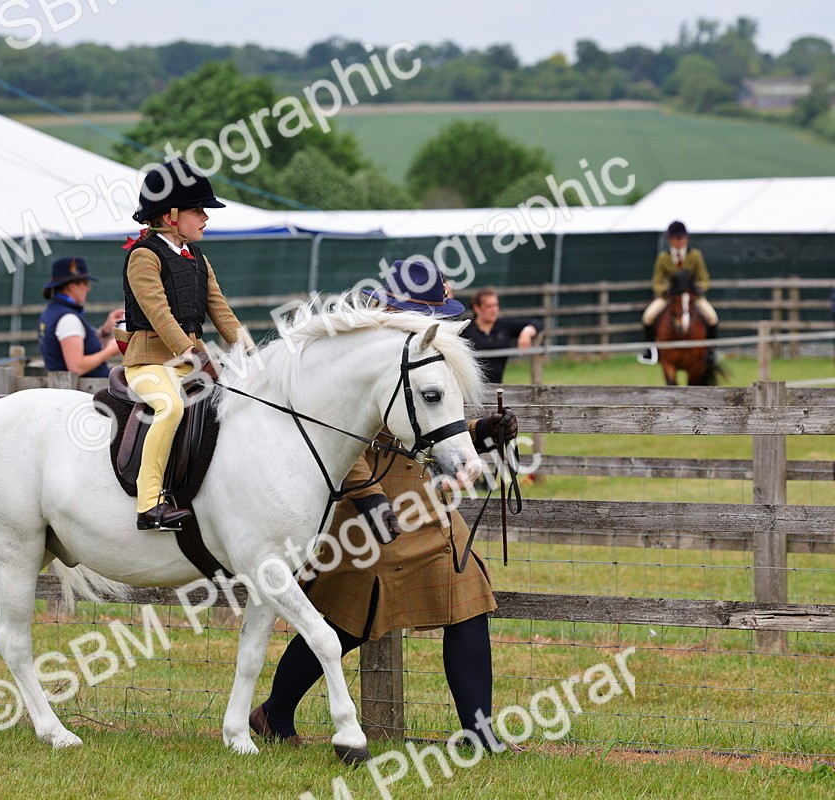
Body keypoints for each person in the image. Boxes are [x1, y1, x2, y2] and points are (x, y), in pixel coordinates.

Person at [250, 259, 515, 750]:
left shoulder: (420, 352)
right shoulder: (356, 354)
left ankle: (479, 733)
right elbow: (331, 436)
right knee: (348, 618)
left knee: (467, 594)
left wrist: (482, 433)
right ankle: (274, 713)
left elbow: (429, 425)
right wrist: (368, 497)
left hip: (421, 499)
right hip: (362, 499)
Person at [120, 159, 246, 531]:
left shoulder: (198, 259)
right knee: (170, 407)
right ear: (171, 215)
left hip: (188, 363)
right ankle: (149, 504)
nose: (205, 217)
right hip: (148, 363)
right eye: (198, 210)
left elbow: (221, 311)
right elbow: (158, 313)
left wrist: (251, 351)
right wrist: (190, 352)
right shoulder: (143, 256)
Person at [639, 220, 719, 366]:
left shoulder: (695, 255)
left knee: (712, 317)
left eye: (682, 238)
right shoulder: (663, 258)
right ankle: (650, 351)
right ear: (670, 239)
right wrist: (664, 290)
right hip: (670, 296)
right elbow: (657, 280)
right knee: (648, 317)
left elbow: (704, 277)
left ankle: (712, 351)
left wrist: (700, 288)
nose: (680, 241)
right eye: (677, 238)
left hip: (691, 296)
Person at [39, 256, 123, 378]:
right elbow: (77, 367)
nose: (88, 288)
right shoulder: (67, 318)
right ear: (72, 286)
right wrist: (110, 350)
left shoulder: (53, 312)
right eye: (85, 283)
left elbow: (85, 348)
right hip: (83, 394)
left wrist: (106, 330)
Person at [460, 288, 543, 384]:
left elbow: (537, 323)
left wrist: (526, 332)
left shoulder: (504, 326)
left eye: (496, 305)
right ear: (477, 308)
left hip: (498, 386)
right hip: (472, 387)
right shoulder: (466, 329)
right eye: (489, 306)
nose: (494, 310)